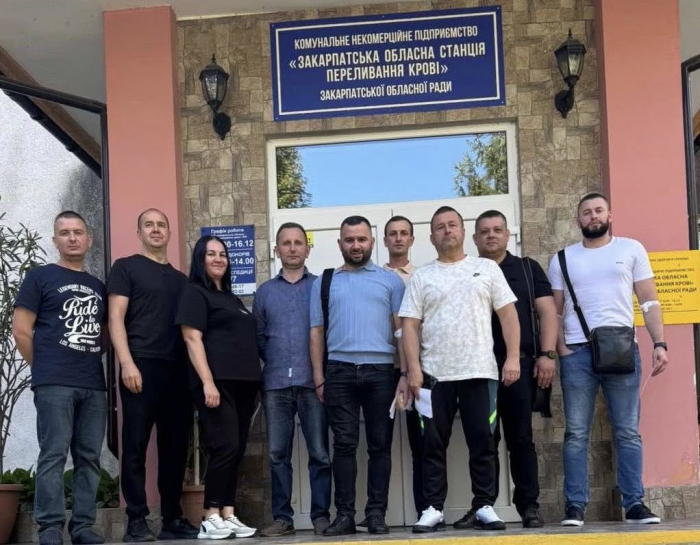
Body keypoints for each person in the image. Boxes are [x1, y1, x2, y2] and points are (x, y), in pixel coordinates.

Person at [548, 192, 668, 527]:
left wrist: (659, 342)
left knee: (628, 431)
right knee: (576, 433)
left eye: (598, 210)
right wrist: (560, 349)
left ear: (609, 215)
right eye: (586, 212)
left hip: (622, 349)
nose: (593, 216)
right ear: (578, 220)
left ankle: (634, 504)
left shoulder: (631, 249)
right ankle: (575, 506)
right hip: (576, 354)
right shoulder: (562, 258)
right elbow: (555, 311)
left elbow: (649, 300)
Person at [400, 206, 520, 533]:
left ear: (463, 231)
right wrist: (413, 369)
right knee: (431, 445)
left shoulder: (486, 269)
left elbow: (508, 315)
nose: (447, 230)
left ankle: (484, 505)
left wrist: (512, 358)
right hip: (433, 376)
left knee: (483, 442)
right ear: (431, 237)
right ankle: (433, 508)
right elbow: (409, 326)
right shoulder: (422, 276)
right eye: (440, 227)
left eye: (452, 225)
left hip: (479, 371)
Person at [12, 211, 107, 545]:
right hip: (54, 383)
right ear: (55, 240)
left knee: (89, 458)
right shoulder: (40, 277)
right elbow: (21, 330)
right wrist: (44, 369)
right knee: (53, 454)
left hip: (93, 383)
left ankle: (82, 527)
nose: (72, 238)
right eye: (65, 233)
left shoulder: (98, 286)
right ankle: (50, 527)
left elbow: (104, 335)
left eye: (78, 232)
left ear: (89, 240)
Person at [309, 215, 405, 536]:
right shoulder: (324, 282)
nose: (356, 245)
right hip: (338, 372)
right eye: (349, 239)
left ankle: (376, 514)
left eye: (361, 239)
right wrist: (319, 377)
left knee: (380, 446)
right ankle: (345, 516)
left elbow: (402, 330)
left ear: (372, 242)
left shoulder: (391, 281)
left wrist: (406, 373)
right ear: (340, 243)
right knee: (344, 446)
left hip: (381, 372)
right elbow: (316, 332)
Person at [107, 208, 197, 542]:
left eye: (161, 225)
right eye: (149, 224)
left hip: (177, 372)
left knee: (175, 448)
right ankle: (136, 521)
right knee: (135, 446)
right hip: (141, 365)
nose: (155, 229)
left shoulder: (182, 280)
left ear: (169, 233)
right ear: (139, 232)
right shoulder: (126, 267)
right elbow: (115, 318)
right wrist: (126, 363)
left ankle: (171, 519)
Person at [473, 210, 558, 528]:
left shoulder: (527, 268)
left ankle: (529, 506)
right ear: (475, 238)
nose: (491, 235)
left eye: (497, 230)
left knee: (521, 439)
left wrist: (547, 354)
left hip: (520, 366)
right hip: (479, 368)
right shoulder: (469, 270)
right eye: (484, 231)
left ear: (508, 235)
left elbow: (547, 312)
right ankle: (484, 507)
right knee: (484, 441)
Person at [175, 235, 262, 540]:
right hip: (216, 383)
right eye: (210, 254)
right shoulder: (194, 293)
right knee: (224, 446)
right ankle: (210, 515)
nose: (218, 259)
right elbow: (191, 338)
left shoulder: (231, 298)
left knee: (236, 449)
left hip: (244, 384)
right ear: (200, 259)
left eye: (222, 254)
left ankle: (227, 511)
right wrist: (207, 382)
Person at [253, 222, 331, 537]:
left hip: (313, 383)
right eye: (286, 243)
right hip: (275, 384)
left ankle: (321, 517)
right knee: (277, 455)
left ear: (307, 249)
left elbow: (328, 331)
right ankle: (283, 519)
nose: (293, 248)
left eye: (298, 242)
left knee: (320, 454)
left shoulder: (320, 287)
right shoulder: (264, 292)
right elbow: (259, 338)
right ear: (277, 250)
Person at [382, 215, 425, 521]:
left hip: (417, 370)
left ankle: (426, 509)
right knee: (378, 445)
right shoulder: (374, 277)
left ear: (412, 239)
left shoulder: (422, 277)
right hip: (383, 370)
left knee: (422, 444)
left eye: (404, 233)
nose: (398, 238)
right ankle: (377, 514)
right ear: (384, 240)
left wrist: (413, 368)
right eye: (393, 234)